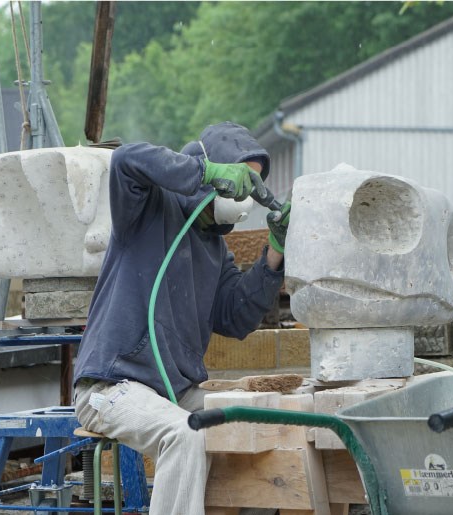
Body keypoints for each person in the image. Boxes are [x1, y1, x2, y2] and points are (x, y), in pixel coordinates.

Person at [73, 121, 290, 514]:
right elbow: (126, 160)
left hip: (173, 393)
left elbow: (236, 317)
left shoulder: (216, 250)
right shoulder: (147, 208)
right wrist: (204, 172)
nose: (243, 195)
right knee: (185, 435)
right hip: (111, 386)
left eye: (251, 185)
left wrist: (275, 251)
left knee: (257, 422)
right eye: (240, 177)